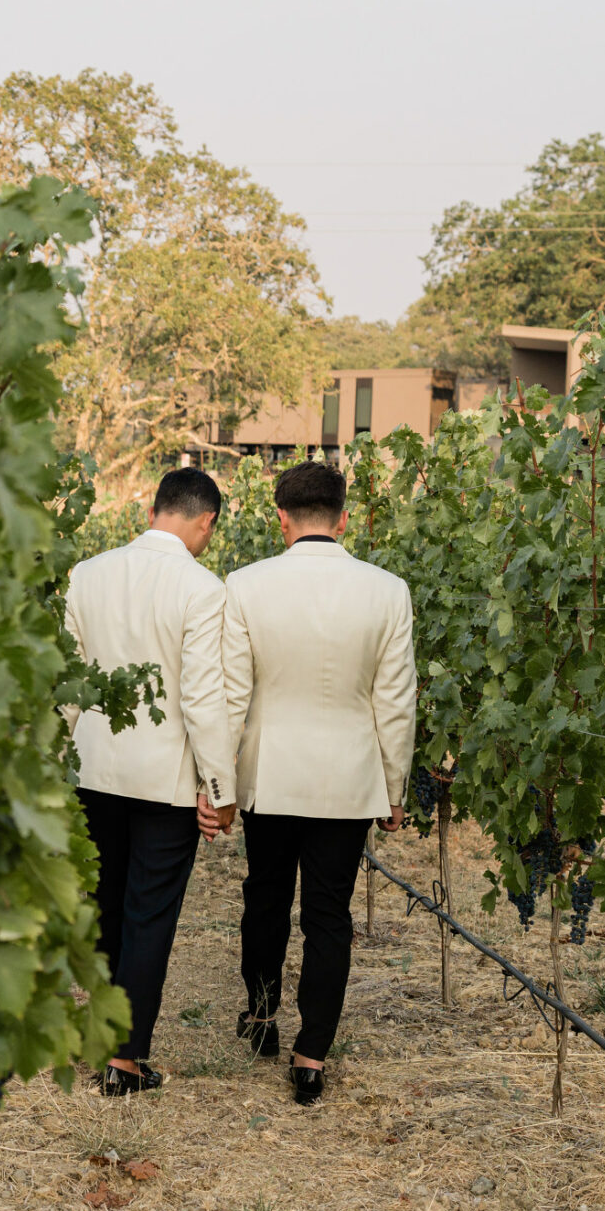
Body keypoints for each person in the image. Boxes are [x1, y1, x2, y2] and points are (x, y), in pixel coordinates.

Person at [219, 459, 415, 1106]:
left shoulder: (245, 586)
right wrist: (395, 786)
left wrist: (218, 781)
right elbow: (395, 702)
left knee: (266, 898)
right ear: (344, 517)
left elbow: (231, 696)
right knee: (329, 916)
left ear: (281, 519)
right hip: (348, 778)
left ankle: (262, 1017)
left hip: (270, 772)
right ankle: (311, 1056)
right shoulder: (387, 591)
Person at [65, 466, 238, 1095]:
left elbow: (69, 682)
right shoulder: (202, 588)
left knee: (107, 908)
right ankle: (125, 1059)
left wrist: (52, 760)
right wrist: (219, 789)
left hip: (91, 770)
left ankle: (110, 1040)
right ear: (205, 521)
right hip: (164, 782)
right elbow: (202, 699)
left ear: (152, 509)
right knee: (149, 915)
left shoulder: (87, 574)